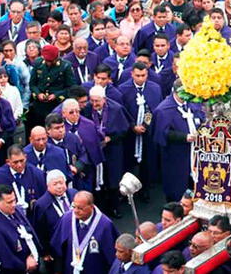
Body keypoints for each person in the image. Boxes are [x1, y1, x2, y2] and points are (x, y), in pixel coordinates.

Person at [82, 85, 131, 218]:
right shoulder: (86, 109)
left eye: (97, 101)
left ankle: (115, 207)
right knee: (98, 180)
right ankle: (100, 209)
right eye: (91, 101)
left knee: (113, 179)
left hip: (113, 149)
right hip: (95, 149)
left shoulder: (116, 109)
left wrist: (111, 138)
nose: (94, 104)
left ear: (104, 99)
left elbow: (125, 130)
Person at [153, 79, 205, 202]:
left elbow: (201, 117)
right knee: (176, 184)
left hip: (194, 151)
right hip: (175, 154)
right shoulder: (163, 109)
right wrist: (184, 137)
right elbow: (161, 133)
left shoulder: (191, 103)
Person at [118, 60, 163, 199]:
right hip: (129, 133)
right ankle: (126, 191)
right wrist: (132, 126)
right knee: (128, 161)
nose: (140, 78)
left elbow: (154, 109)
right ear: (132, 74)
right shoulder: (123, 89)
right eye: (137, 75)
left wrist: (144, 124)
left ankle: (145, 190)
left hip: (146, 132)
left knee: (147, 162)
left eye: (143, 75)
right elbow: (122, 112)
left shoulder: (154, 88)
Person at [50, 191, 119, 274]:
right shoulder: (67, 219)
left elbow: (112, 256)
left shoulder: (105, 225)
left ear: (91, 207)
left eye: (80, 208)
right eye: (74, 206)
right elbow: (58, 247)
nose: (75, 211)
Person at [0, 184, 40, 274]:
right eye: (9, 202)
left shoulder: (16, 210)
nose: (13, 204)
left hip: (32, 260)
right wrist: (25, 265)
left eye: (14, 200)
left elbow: (29, 231)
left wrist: (32, 254)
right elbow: (4, 257)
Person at [32, 170, 76, 269]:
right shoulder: (41, 205)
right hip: (56, 249)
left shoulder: (74, 194)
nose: (59, 186)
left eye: (61, 183)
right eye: (55, 184)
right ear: (48, 186)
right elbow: (39, 231)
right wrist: (44, 252)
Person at [27, 44, 75, 132]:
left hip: (56, 104)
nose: (48, 63)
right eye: (47, 60)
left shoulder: (65, 66)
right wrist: (38, 93)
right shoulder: (38, 63)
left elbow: (71, 87)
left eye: (51, 61)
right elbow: (32, 84)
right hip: (39, 105)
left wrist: (56, 95)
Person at [0, 145, 46, 213]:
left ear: (25, 157)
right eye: (15, 162)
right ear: (8, 162)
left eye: (21, 161)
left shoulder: (38, 174)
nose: (19, 165)